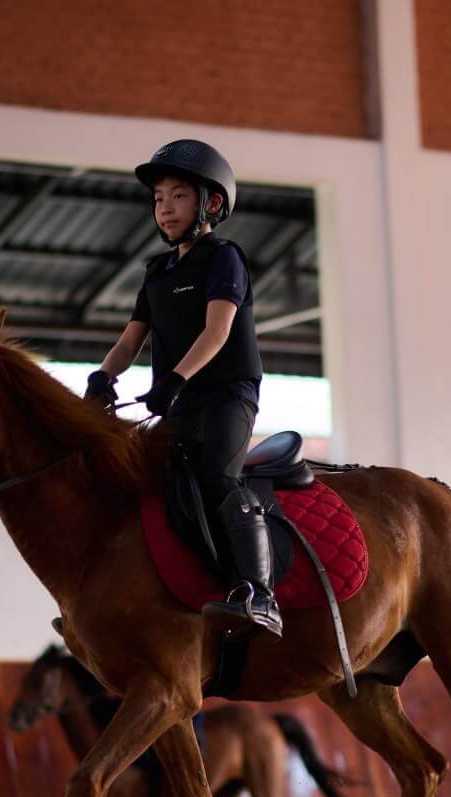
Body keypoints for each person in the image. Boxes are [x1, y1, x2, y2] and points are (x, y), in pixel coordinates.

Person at [83, 139, 281, 640]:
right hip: (179, 398)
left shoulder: (224, 259)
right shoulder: (157, 271)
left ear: (210, 204)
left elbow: (216, 333)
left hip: (226, 397)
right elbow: (132, 340)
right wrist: (102, 377)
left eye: (177, 196)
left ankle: (259, 592)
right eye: (158, 199)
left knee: (217, 476)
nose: (165, 208)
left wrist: (173, 380)